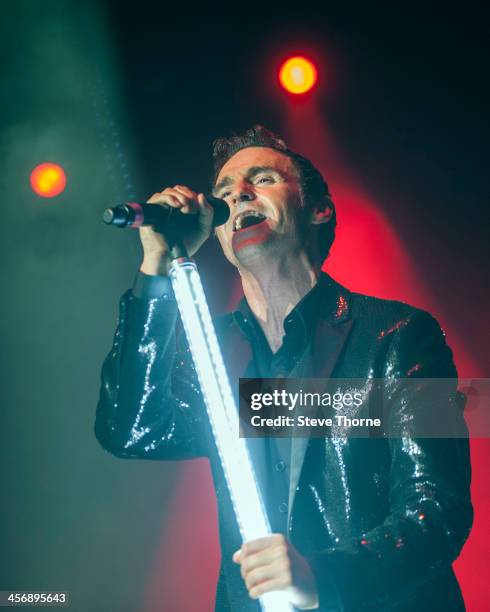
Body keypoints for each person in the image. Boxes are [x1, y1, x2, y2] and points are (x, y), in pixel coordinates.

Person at [95, 126, 473, 611]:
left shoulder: (398, 335)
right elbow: (129, 431)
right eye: (225, 192)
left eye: (261, 179)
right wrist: (155, 266)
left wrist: (324, 577)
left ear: (319, 209)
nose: (238, 195)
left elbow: (437, 510)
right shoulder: (213, 355)